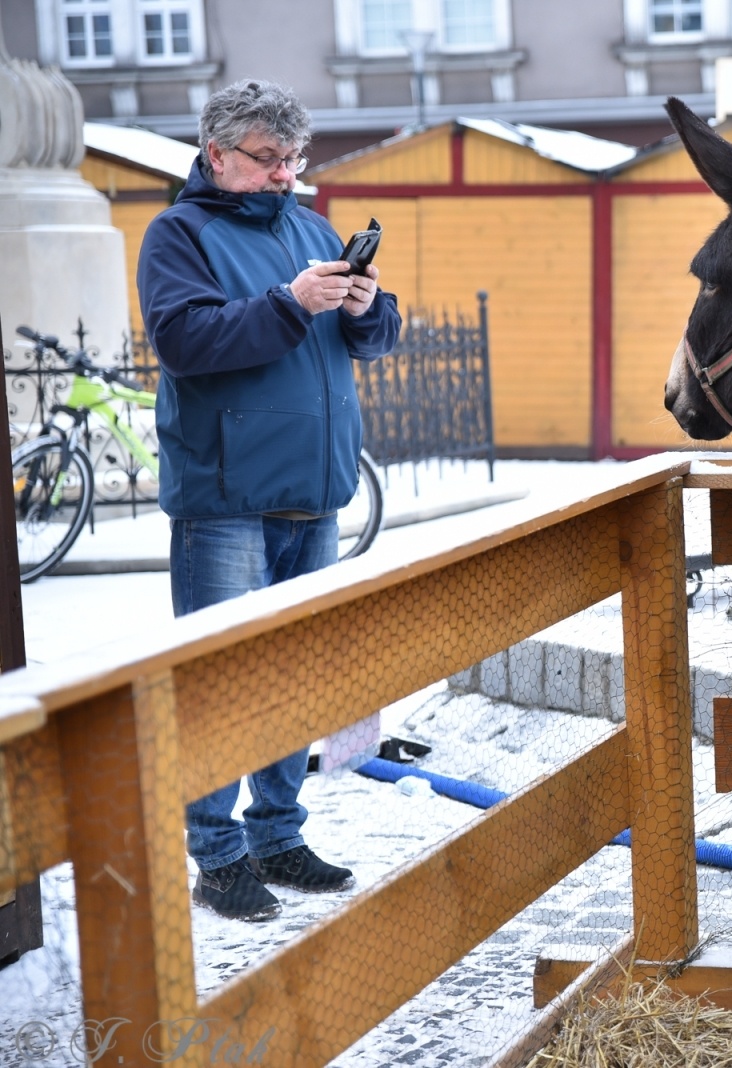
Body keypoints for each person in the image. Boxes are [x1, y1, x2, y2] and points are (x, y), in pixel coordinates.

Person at [137, 80, 401, 922]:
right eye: (267, 159)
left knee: (294, 679)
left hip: (312, 493)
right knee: (220, 685)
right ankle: (217, 858)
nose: (286, 173)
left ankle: (277, 835)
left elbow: (377, 337)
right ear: (218, 154)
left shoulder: (313, 228)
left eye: (294, 158)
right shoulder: (180, 234)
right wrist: (290, 304)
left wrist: (366, 307)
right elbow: (185, 343)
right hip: (224, 499)